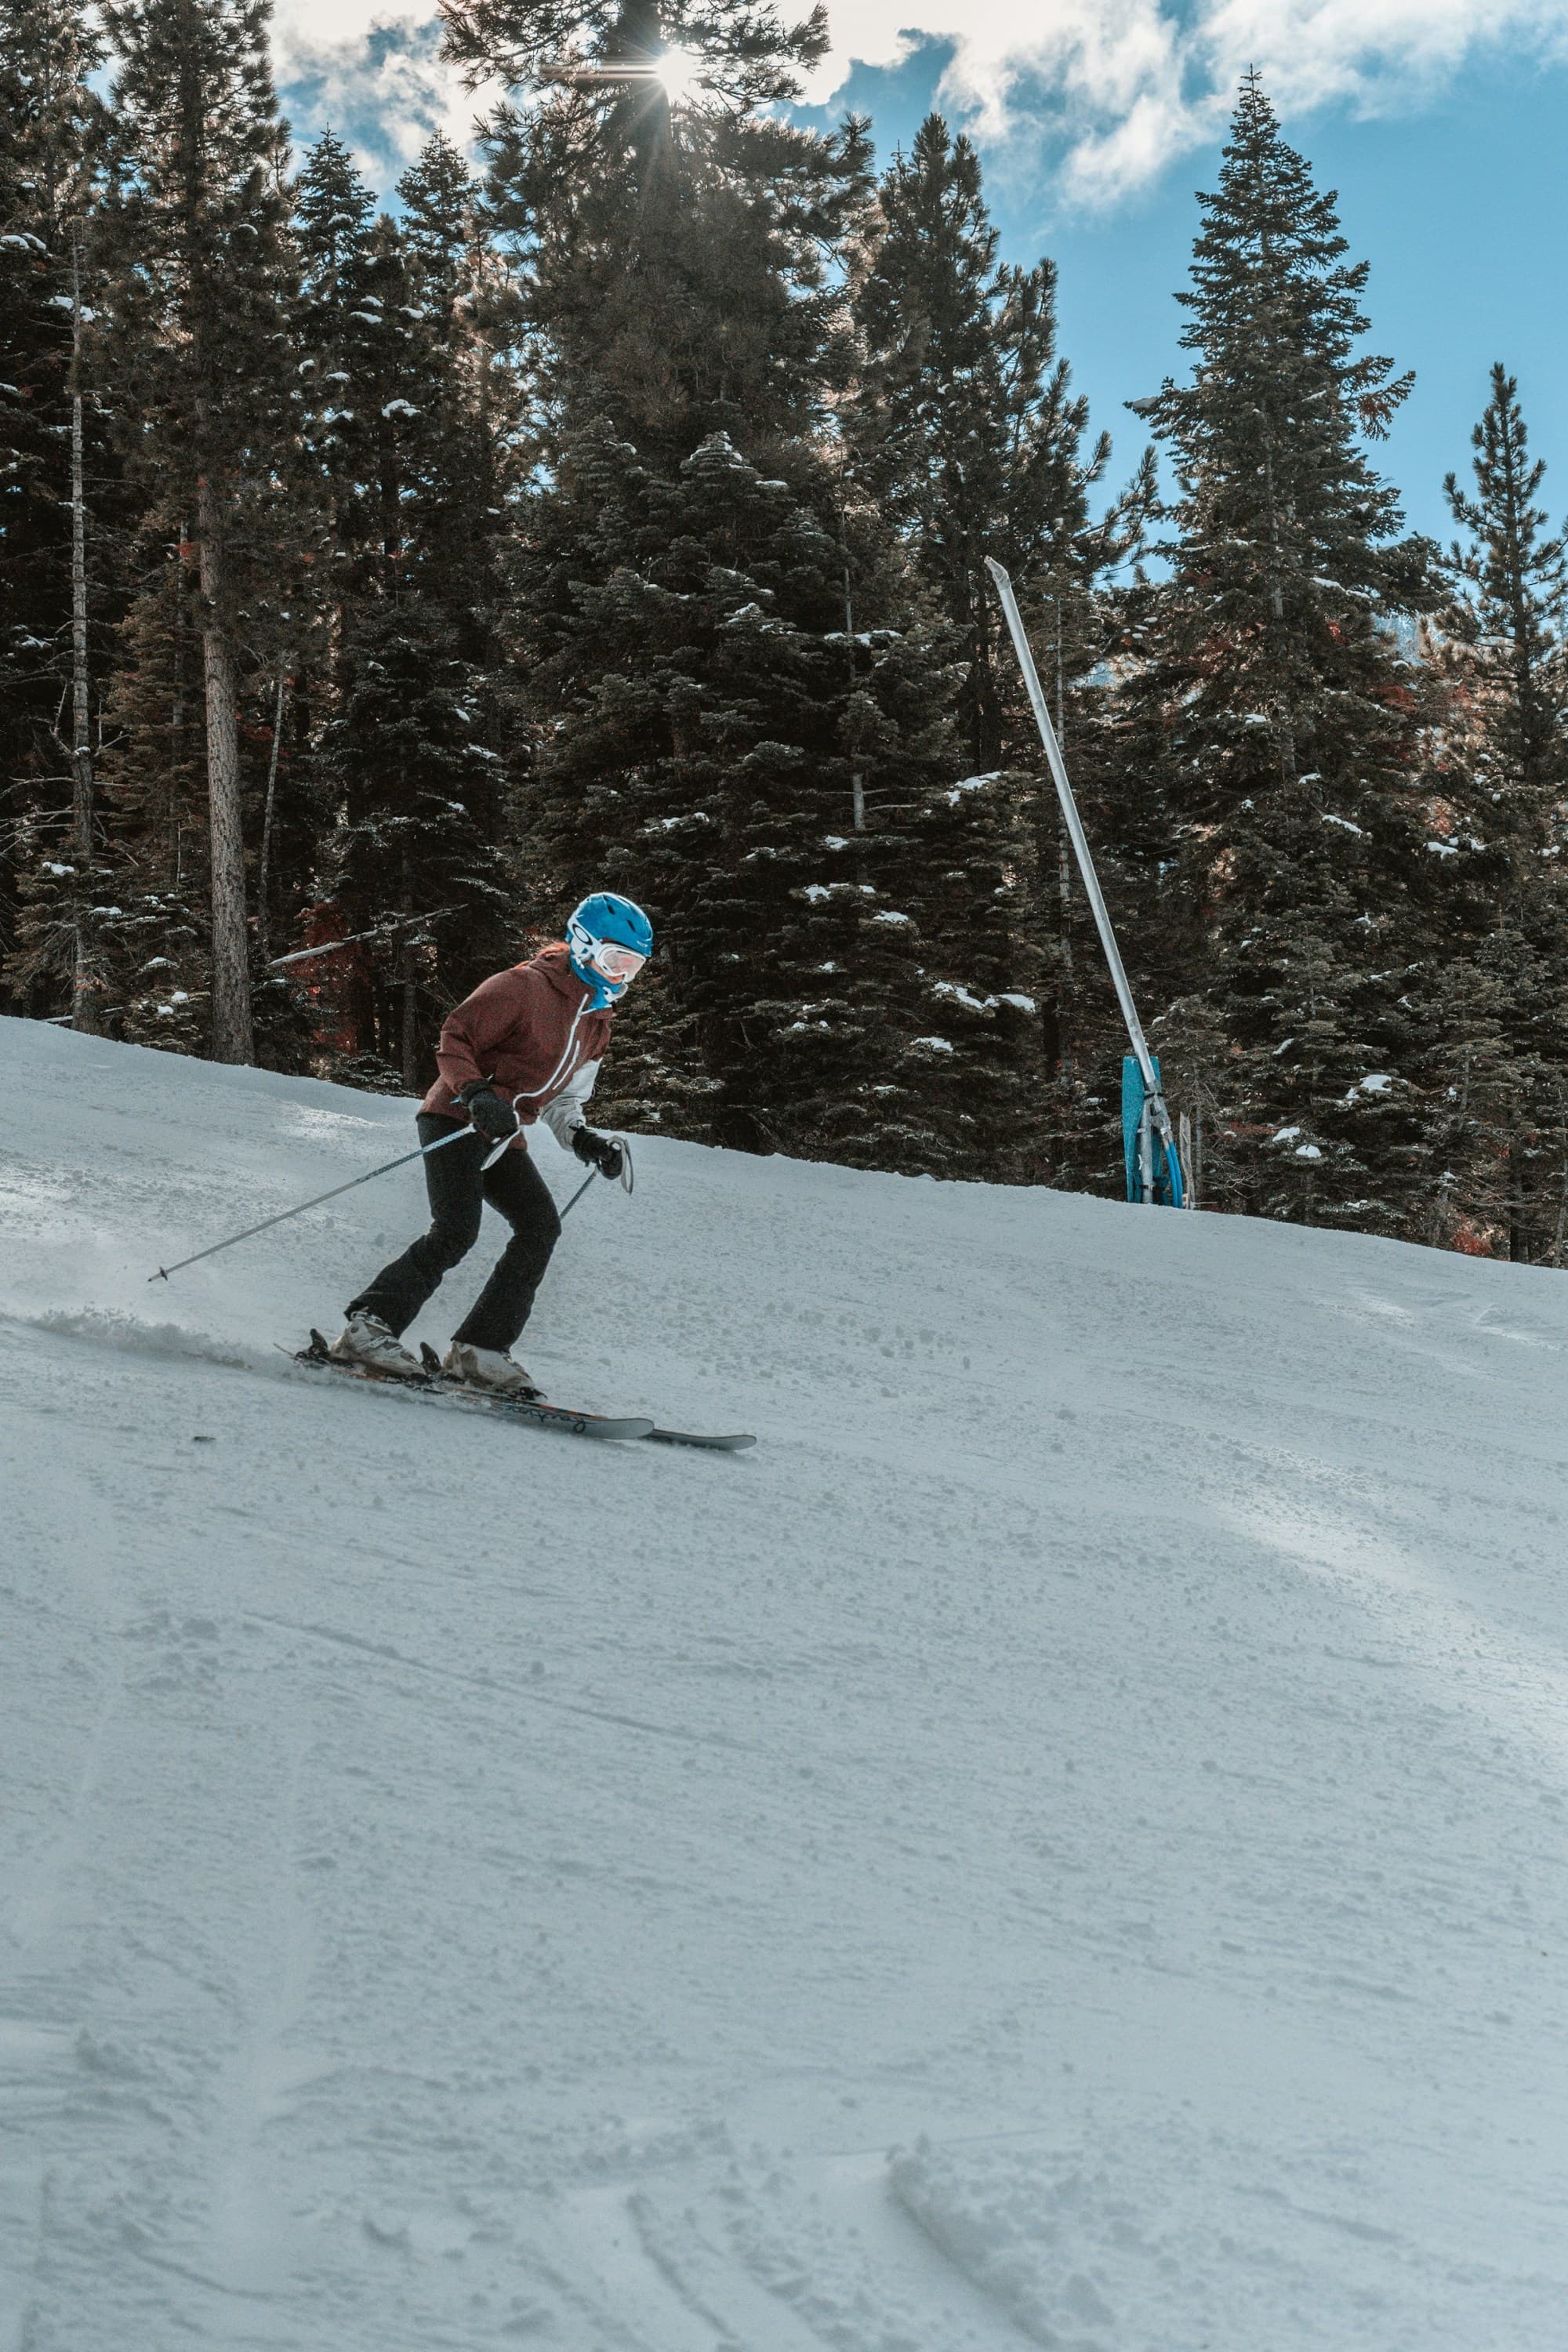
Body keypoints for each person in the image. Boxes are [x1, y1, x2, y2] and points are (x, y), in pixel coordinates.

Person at [331, 892, 653, 1396]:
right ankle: (366, 1329)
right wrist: (476, 1093)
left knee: (539, 1227)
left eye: (633, 966)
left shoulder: (596, 1021)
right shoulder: (524, 986)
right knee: (456, 1230)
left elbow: (562, 1100)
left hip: (504, 1134)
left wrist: (585, 1139)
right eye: (617, 960)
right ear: (584, 943)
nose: (622, 975)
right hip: (456, 1117)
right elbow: (454, 1036)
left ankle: (479, 1350)